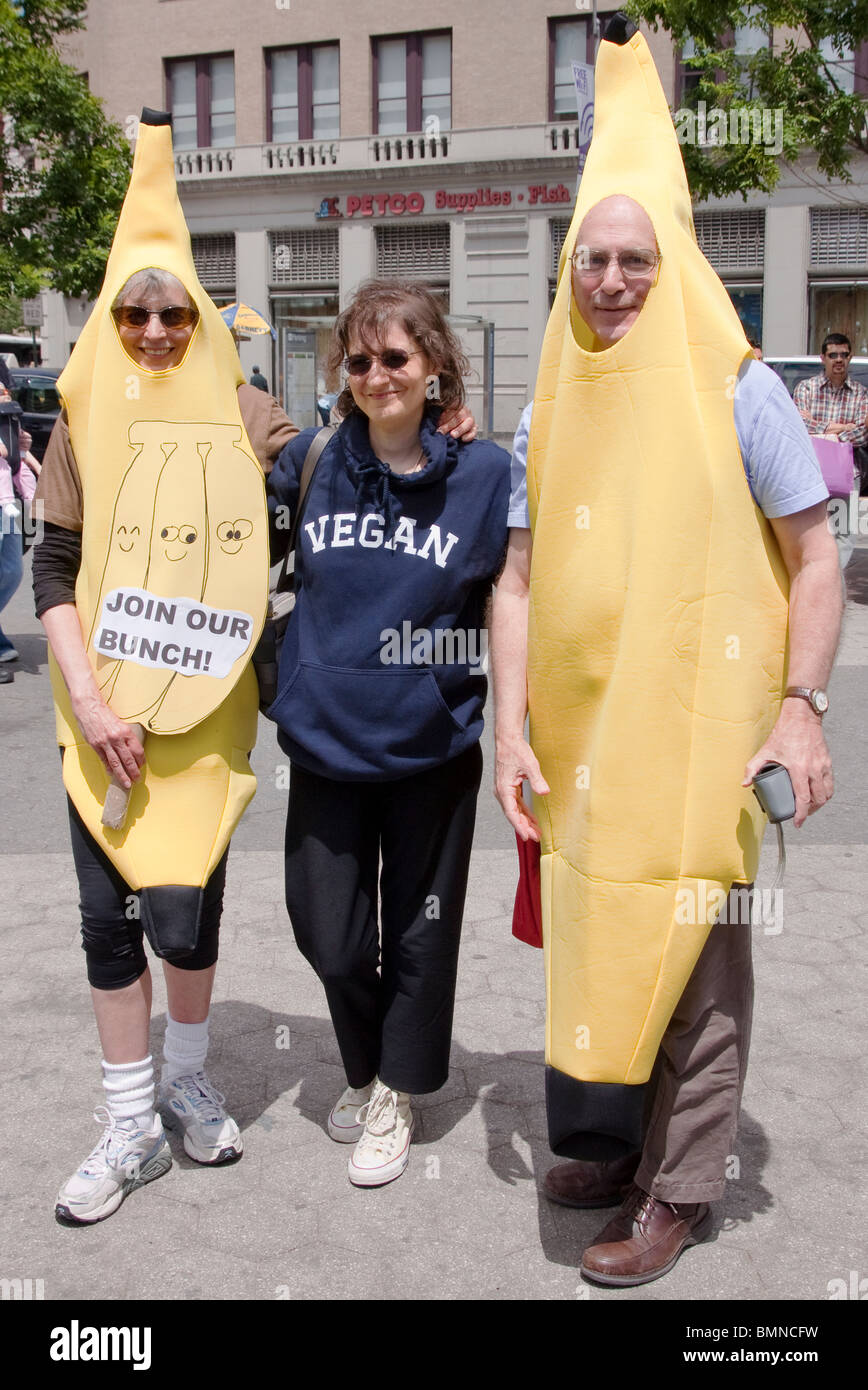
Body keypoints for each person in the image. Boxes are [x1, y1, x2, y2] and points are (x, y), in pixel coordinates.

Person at [491, 19, 841, 1288]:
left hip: (702, 736)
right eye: (595, 257)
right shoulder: (548, 403)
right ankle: (618, 1138)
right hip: (585, 743)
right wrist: (507, 724)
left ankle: (679, 1188)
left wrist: (800, 708)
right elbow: (517, 578)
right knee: (600, 935)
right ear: (568, 264)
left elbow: (814, 554)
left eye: (638, 257)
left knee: (697, 959)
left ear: (675, 259)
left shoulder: (742, 388)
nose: (615, 280)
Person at [267, 279, 510, 1187]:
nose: (377, 375)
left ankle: (392, 1090)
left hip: (431, 749)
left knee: (419, 932)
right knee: (328, 934)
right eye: (360, 360)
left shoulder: (485, 477)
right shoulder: (315, 460)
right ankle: (367, 1061)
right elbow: (227, 479)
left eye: (397, 358)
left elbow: (519, 601)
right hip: (325, 743)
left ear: (436, 364)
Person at [794, 333, 868, 492]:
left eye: (844, 354)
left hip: (848, 473)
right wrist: (843, 427)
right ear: (823, 358)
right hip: (809, 472)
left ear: (850, 357)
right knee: (810, 518)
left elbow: (862, 433)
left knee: (847, 517)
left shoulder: (861, 394)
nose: (839, 359)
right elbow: (799, 426)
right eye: (833, 355)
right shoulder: (806, 388)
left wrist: (820, 436)